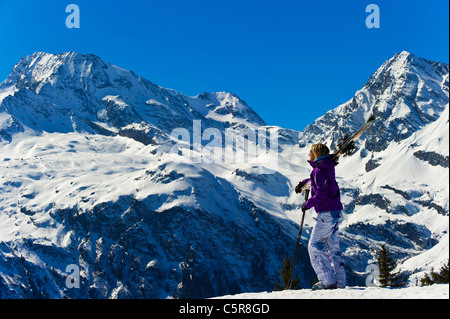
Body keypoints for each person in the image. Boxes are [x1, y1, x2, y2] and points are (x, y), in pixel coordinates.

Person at [295, 143, 346, 290]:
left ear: (316, 153)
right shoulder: (327, 168)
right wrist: (304, 183)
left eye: (310, 151)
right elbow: (321, 182)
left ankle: (327, 281)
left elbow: (321, 194)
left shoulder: (319, 171)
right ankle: (340, 283)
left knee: (314, 246)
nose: (308, 154)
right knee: (334, 248)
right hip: (336, 211)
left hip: (327, 214)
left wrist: (307, 204)